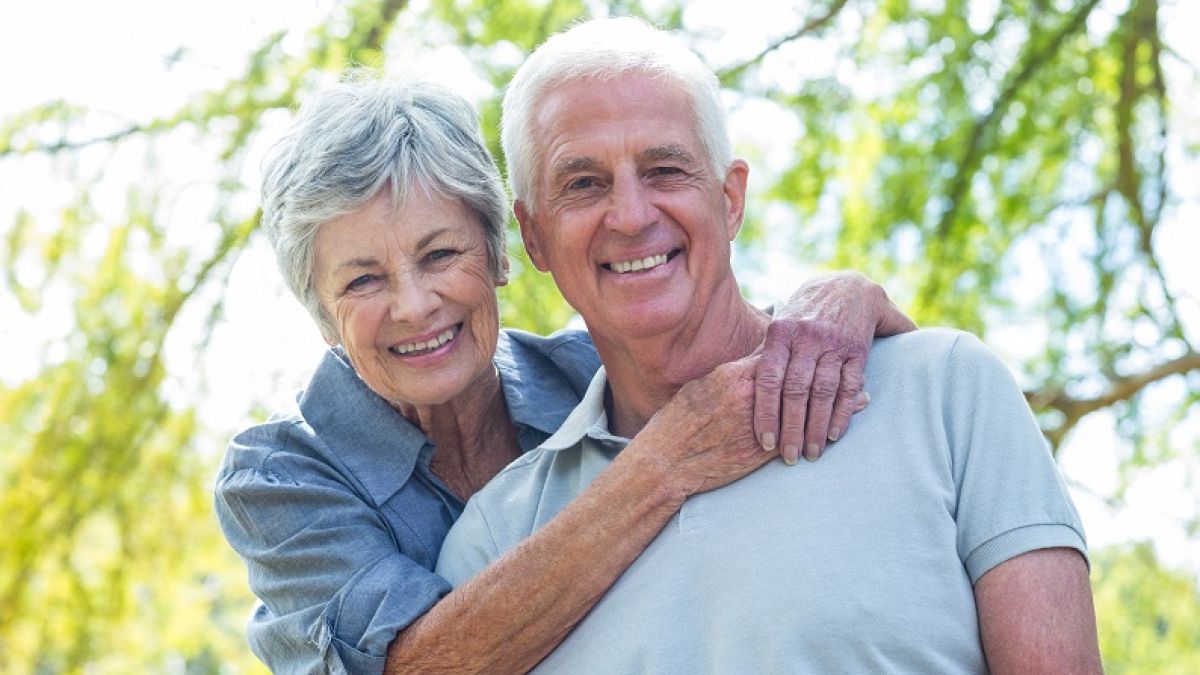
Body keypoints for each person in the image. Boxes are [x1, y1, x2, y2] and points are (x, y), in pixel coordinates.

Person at [436, 16, 1103, 673]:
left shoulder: (944, 392)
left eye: (665, 169)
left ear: (730, 199)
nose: (632, 215)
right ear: (534, 237)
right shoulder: (494, 540)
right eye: (584, 183)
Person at [213, 73, 916, 672]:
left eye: (439, 255)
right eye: (364, 280)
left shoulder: (588, 369)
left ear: (501, 255)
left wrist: (841, 298)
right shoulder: (279, 475)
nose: (414, 305)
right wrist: (664, 462)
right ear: (322, 313)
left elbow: (761, 350)